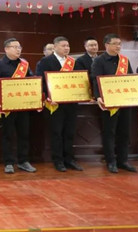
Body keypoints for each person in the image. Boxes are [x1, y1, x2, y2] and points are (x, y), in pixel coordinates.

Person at [91, 33, 136, 174]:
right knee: (109, 132)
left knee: (124, 132)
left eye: (119, 44)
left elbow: (131, 79)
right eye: (115, 43)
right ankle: (111, 161)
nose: (118, 46)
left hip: (124, 101)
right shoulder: (99, 61)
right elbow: (95, 79)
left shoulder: (124, 60)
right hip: (109, 102)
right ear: (107, 45)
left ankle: (123, 161)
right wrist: (98, 96)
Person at [36, 36, 83, 172]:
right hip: (54, 104)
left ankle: (69, 159)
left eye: (68, 46)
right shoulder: (45, 62)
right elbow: (40, 81)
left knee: (70, 132)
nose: (66, 48)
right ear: (55, 47)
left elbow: (80, 80)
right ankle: (58, 160)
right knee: (56, 133)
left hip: (71, 103)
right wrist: (48, 96)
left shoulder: (74, 62)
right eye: (63, 46)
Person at [0, 38, 37, 174]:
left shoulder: (24, 64)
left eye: (19, 47)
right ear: (6, 49)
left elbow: (31, 82)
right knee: (8, 134)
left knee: (24, 133)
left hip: (23, 105)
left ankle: (23, 161)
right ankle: (8, 162)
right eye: (15, 47)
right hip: (7, 106)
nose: (18, 50)